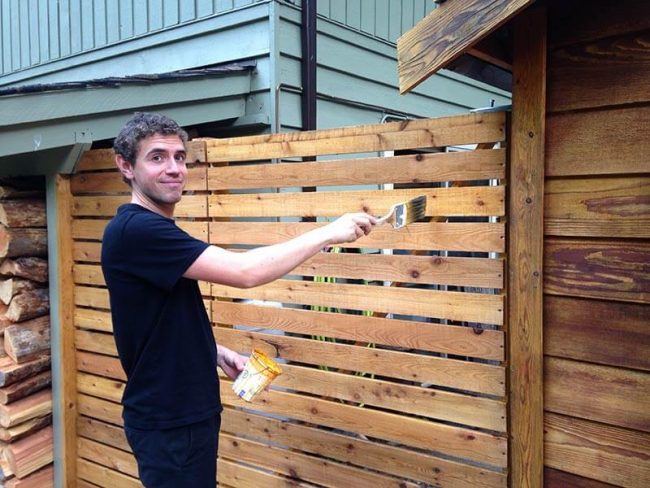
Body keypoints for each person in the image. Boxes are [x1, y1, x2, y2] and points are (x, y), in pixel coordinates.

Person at [100, 112, 376, 487]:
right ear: (126, 166)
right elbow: (246, 272)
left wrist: (214, 352)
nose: (174, 168)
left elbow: (158, 322)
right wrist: (328, 232)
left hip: (182, 416)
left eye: (180, 157)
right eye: (157, 157)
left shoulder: (150, 230)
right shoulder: (138, 230)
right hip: (172, 422)